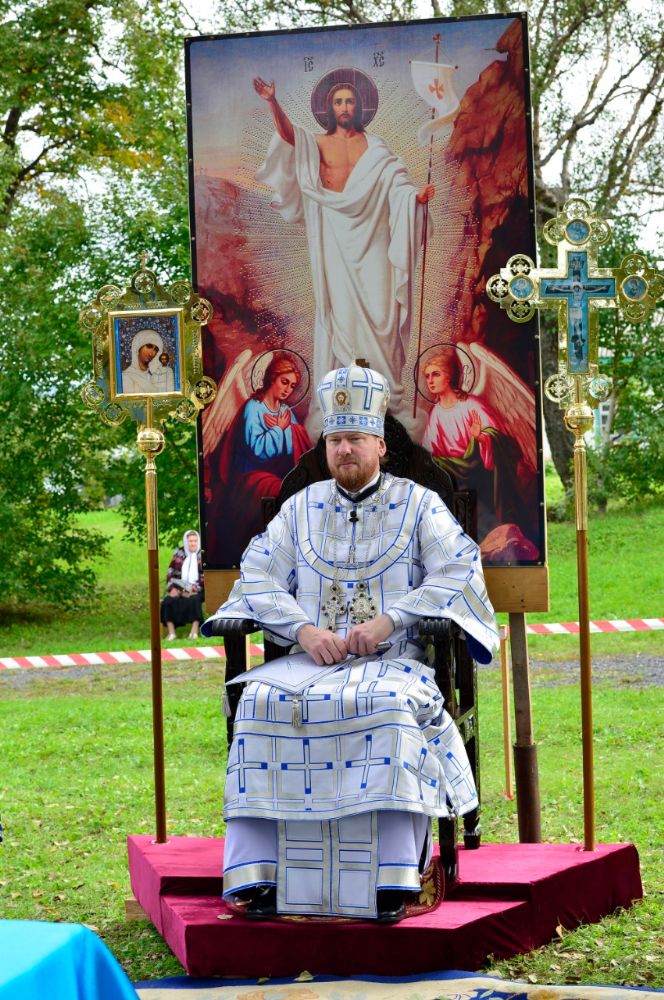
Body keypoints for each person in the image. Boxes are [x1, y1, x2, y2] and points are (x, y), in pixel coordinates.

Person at [202, 362, 498, 923]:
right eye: (336, 440)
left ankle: (393, 877)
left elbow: (459, 569)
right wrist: (302, 630)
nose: (344, 450)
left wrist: (392, 620)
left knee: (386, 708)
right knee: (259, 703)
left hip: (395, 664)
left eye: (356, 439)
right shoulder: (300, 508)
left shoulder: (420, 504)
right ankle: (257, 875)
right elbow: (258, 574)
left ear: (380, 445)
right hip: (307, 664)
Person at [252, 72, 435, 419]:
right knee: (342, 313)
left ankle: (385, 402)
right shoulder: (318, 144)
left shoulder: (377, 148)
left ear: (360, 106)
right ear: (329, 107)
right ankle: (344, 399)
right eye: (338, 101)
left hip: (375, 239)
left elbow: (398, 184)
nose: (344, 107)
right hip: (335, 239)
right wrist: (272, 101)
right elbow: (289, 135)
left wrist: (415, 198)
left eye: (350, 101)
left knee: (382, 313)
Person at [421, 349, 534, 546]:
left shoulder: (471, 405)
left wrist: (480, 437)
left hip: (480, 475)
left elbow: (501, 441)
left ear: (449, 376)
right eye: (427, 376)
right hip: (455, 475)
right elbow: (429, 450)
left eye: (436, 374)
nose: (430, 381)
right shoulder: (437, 413)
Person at [211, 352, 311, 565]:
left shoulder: (285, 411)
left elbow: (297, 447)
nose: (288, 389)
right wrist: (279, 430)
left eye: (292, 386)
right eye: (284, 382)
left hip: (279, 476)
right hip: (250, 478)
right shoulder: (253, 408)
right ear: (272, 378)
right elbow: (258, 450)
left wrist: (288, 430)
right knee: (279, 493)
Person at [160, 530, 205, 640]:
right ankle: (171, 633)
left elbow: (206, 576)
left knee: (194, 600)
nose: (193, 544)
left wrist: (193, 589)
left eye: (195, 541)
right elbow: (170, 572)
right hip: (179, 587)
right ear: (186, 542)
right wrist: (173, 589)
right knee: (168, 601)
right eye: (190, 541)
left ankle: (193, 632)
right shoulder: (179, 553)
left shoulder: (203, 554)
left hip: (198, 589)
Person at [121, 329, 164, 395]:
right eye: (149, 346)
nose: (152, 353)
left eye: (156, 349)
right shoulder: (126, 376)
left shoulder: (153, 377)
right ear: (138, 346)